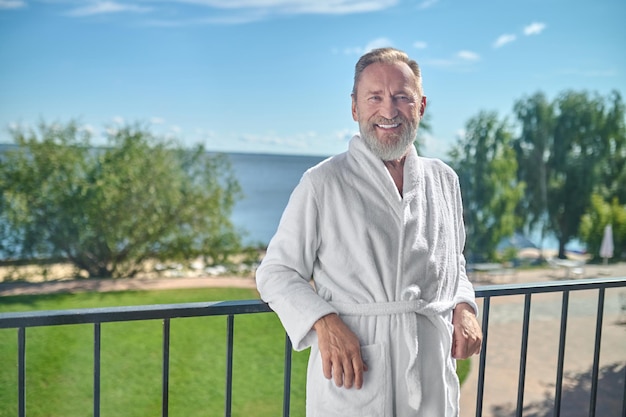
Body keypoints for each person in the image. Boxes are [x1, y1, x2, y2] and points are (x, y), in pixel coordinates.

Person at [256, 47, 482, 417]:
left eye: (401, 98)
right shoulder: (323, 183)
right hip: (358, 377)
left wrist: (464, 306)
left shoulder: (444, 180)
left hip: (431, 373)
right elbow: (276, 272)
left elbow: (453, 262)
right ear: (354, 108)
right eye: (374, 97)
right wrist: (323, 321)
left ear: (420, 106)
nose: (388, 111)